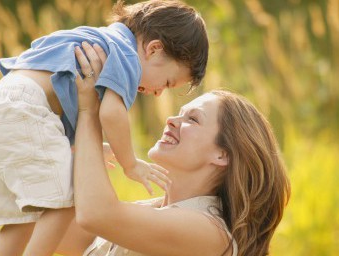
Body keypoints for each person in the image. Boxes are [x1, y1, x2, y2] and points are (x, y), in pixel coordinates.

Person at [0, 0, 208, 255]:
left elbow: (58, 88)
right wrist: (130, 164)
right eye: (168, 82)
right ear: (154, 49)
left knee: (20, 218)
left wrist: (79, 147)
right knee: (68, 199)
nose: (159, 93)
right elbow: (111, 113)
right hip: (26, 108)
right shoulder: (127, 57)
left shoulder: (101, 38)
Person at [57, 42, 290, 255]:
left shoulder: (210, 232)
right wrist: (67, 155)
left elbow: (95, 215)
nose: (171, 120)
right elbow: (53, 227)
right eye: (179, 113)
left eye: (193, 119)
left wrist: (89, 110)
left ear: (222, 154)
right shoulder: (150, 211)